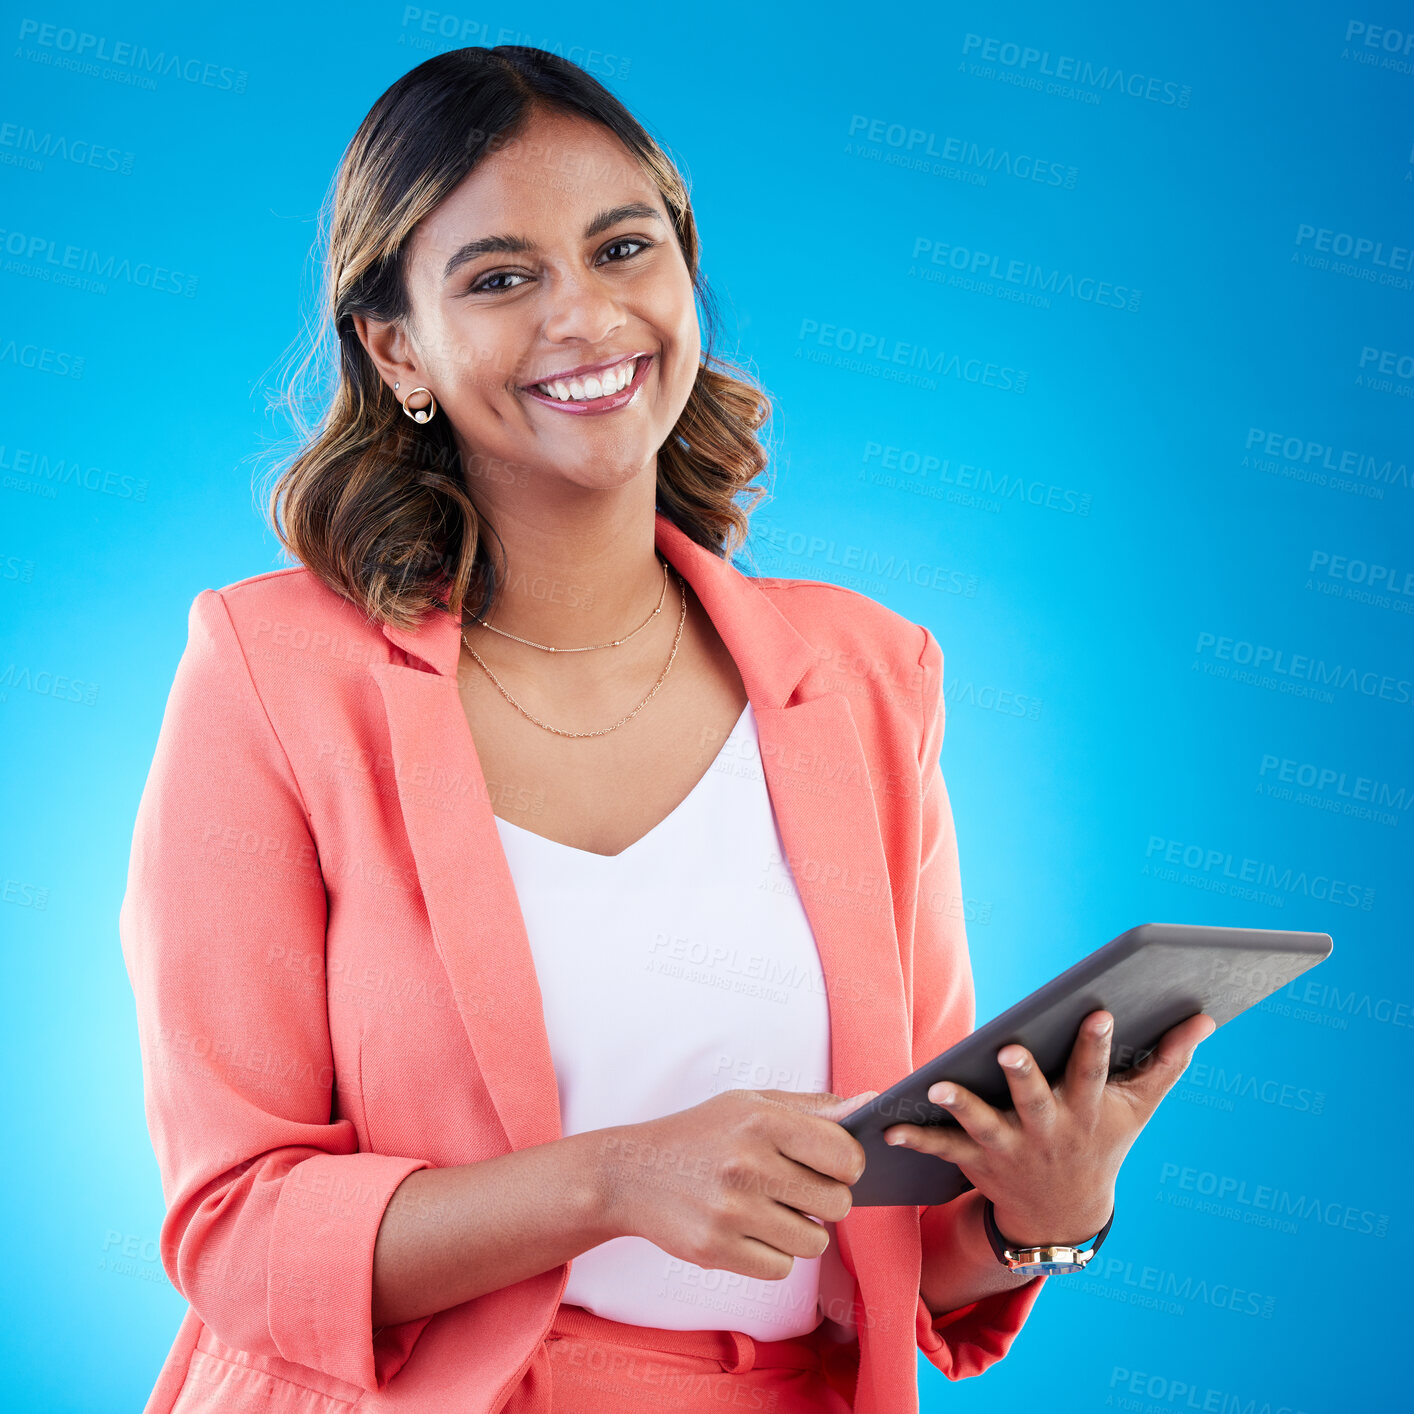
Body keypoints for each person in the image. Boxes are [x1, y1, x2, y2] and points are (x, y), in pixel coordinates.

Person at [119, 45, 1215, 1414]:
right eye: (500, 277)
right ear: (396, 344)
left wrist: (1033, 1211)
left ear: (683, 270)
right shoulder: (273, 670)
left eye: (622, 246)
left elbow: (900, 1247)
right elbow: (236, 1222)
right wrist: (611, 1178)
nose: (585, 315)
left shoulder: (868, 673)